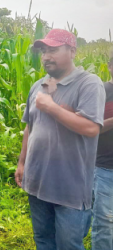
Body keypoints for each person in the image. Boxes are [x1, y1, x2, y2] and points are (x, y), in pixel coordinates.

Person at [14, 29, 106, 250]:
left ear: (72, 51)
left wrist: (51, 107)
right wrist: (22, 161)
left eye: (53, 50)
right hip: (36, 182)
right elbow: (30, 126)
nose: (46, 56)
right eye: (44, 51)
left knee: (68, 245)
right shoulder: (38, 86)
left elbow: (91, 128)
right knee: (43, 240)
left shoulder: (89, 83)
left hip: (70, 188)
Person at [92, 52, 113, 250]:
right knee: (105, 221)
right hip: (105, 166)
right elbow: (90, 127)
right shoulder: (102, 92)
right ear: (109, 67)